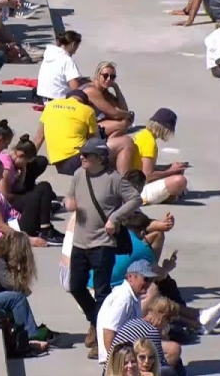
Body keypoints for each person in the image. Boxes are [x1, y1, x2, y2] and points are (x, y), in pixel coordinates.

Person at [64, 137, 142, 360]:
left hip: (103, 244)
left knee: (101, 292)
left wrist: (115, 218)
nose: (81, 158)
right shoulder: (79, 174)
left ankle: (102, 340)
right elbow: (69, 196)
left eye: (86, 155)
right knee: (75, 286)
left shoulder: (114, 179)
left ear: (99, 158)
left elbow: (135, 199)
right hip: (80, 242)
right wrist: (69, 203)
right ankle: (96, 322)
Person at [33, 90, 136, 175]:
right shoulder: (87, 110)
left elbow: (39, 137)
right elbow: (96, 142)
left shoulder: (50, 106)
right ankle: (123, 183)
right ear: (85, 102)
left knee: (111, 148)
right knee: (125, 142)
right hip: (79, 161)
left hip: (59, 165)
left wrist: (28, 161)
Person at [96, 260, 157, 363]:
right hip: (120, 357)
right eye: (146, 279)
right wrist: (115, 364)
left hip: (128, 350)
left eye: (151, 280)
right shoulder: (123, 298)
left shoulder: (133, 295)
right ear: (130, 277)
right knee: (172, 350)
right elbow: (108, 331)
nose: (148, 283)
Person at [130, 109, 189, 205]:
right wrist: (171, 171)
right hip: (139, 190)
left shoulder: (142, 135)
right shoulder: (150, 144)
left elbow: (142, 166)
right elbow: (147, 175)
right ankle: (170, 196)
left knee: (176, 173)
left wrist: (168, 167)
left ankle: (171, 194)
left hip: (134, 180)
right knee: (180, 181)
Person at [111, 297, 182, 375]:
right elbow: (160, 362)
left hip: (113, 368)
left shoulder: (135, 322)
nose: (167, 325)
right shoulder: (151, 331)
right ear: (162, 317)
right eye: (169, 320)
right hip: (125, 371)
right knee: (168, 371)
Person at [81, 62, 134, 138]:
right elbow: (115, 114)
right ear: (98, 75)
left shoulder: (104, 91)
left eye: (112, 77)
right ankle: (106, 143)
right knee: (123, 124)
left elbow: (122, 110)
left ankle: (106, 142)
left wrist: (116, 88)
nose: (108, 79)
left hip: (87, 124)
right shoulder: (92, 91)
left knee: (123, 122)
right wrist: (129, 114)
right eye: (105, 76)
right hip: (79, 127)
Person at [36, 31, 83, 102]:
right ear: (73, 44)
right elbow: (75, 89)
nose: (75, 51)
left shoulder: (50, 54)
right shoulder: (67, 60)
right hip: (60, 100)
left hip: (44, 98)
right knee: (90, 91)